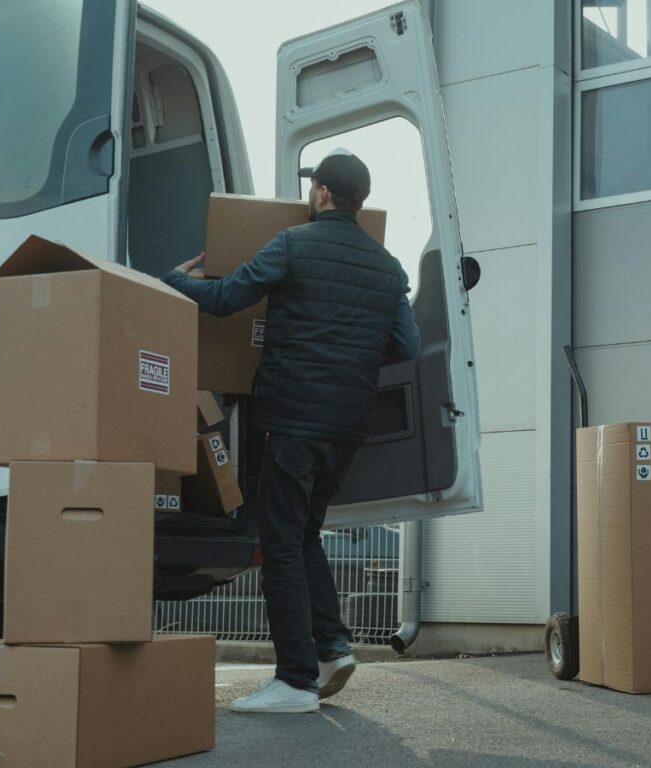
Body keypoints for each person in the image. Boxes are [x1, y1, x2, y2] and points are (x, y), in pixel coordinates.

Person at [163, 150, 421, 713]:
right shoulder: (387, 266)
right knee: (304, 535)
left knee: (279, 543)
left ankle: (296, 680)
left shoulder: (292, 244)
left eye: (314, 188)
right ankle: (331, 647)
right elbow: (408, 346)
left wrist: (174, 281)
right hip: (345, 428)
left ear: (323, 193)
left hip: (292, 420)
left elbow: (228, 297)